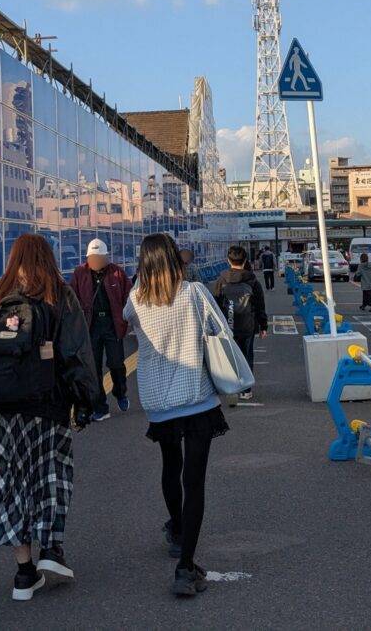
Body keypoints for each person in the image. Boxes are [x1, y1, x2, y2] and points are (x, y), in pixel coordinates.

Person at [0, 233, 99, 601]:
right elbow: (76, 354)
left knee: (12, 484)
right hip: (48, 408)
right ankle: (51, 551)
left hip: (5, 413)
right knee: (52, 476)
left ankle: (23, 574)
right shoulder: (59, 296)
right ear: (47, 258)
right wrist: (86, 401)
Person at [123, 233, 229, 598]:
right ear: (174, 259)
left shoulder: (135, 299)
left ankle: (178, 530)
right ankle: (185, 567)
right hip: (196, 397)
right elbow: (220, 330)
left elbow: (126, 321)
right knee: (194, 480)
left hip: (158, 401)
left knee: (170, 466)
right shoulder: (193, 294)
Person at [71, 238, 133, 423]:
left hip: (113, 324)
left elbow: (129, 297)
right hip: (91, 326)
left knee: (116, 364)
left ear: (106, 257)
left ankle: (120, 392)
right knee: (93, 368)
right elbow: (72, 296)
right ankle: (100, 407)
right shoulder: (80, 273)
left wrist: (128, 320)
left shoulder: (117, 273)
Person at [211, 245, 267, 401]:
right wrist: (263, 326)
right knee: (247, 355)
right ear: (245, 261)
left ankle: (231, 387)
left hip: (227, 325)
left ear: (228, 261)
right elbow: (260, 305)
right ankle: (246, 389)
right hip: (248, 325)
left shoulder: (220, 280)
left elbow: (214, 305)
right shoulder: (252, 281)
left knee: (229, 357)